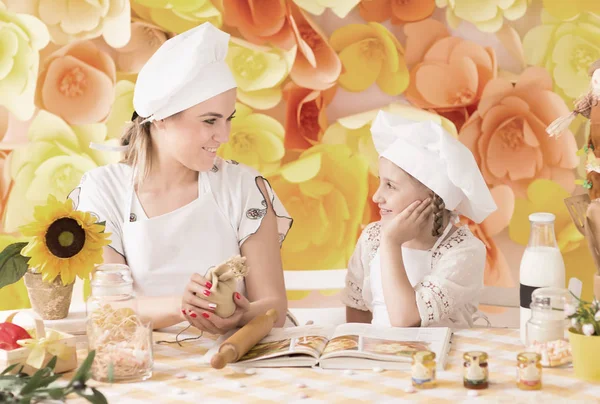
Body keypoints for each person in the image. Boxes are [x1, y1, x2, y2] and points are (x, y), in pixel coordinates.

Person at [70, 22, 293, 333]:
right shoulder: (103, 190)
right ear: (160, 118)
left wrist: (241, 316)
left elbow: (274, 306)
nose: (224, 135)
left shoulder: (244, 188)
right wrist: (182, 306)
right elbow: (109, 308)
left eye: (228, 119)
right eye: (210, 120)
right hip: (142, 358)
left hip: (235, 356)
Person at [341, 110, 497, 328]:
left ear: (431, 198)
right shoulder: (372, 238)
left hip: (439, 359)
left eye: (390, 186)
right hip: (381, 359)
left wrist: (391, 243)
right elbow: (357, 311)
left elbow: (406, 320)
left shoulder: (463, 251)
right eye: (380, 182)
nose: (377, 197)